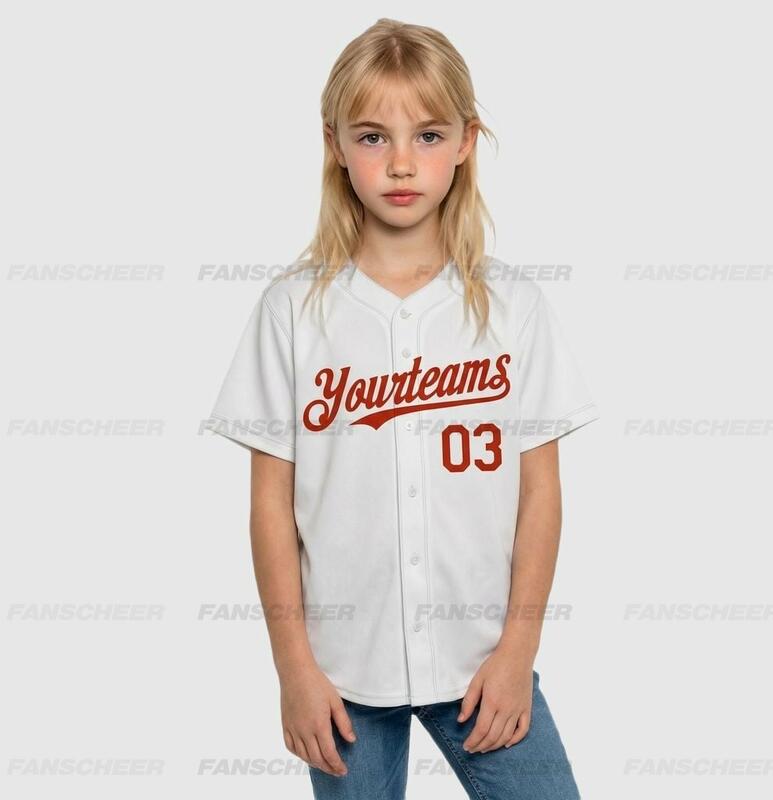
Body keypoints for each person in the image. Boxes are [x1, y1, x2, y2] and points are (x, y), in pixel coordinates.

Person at [205, 17, 599, 800]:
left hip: (481, 663)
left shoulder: (514, 306)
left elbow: (541, 493)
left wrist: (518, 652)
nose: (401, 163)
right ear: (334, 145)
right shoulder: (292, 311)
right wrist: (293, 670)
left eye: (427, 134)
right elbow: (270, 505)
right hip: (342, 674)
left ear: (466, 142)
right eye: (372, 137)